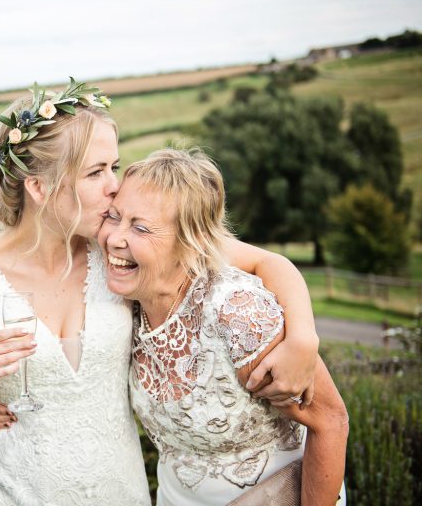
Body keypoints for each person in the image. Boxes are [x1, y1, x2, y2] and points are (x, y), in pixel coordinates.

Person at [0, 80, 321, 505]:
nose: (113, 186)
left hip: (120, 490)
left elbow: (269, 263)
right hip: (14, 491)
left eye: (114, 167)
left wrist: (303, 337)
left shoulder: (119, 251)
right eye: (96, 172)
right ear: (39, 187)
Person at [97, 148, 348, 505]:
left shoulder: (236, 313)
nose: (114, 239)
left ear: (190, 243)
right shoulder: (128, 297)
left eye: (139, 227)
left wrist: (304, 337)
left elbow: (331, 421)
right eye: (113, 216)